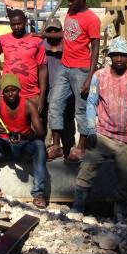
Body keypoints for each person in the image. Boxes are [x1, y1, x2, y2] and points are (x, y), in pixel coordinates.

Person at [70, 37, 127, 220]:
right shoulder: (99, 76)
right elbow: (91, 103)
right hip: (102, 135)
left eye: (123, 55)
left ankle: (121, 214)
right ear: (110, 56)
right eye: (115, 55)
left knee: (126, 180)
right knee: (86, 171)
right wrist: (91, 129)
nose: (119, 58)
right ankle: (77, 207)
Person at [0, 74, 47, 208]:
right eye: (6, 91)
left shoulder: (29, 105)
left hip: (23, 146)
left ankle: (38, 193)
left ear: (19, 90)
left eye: (13, 90)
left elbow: (41, 133)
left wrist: (23, 136)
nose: (10, 94)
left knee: (39, 145)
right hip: (4, 145)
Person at [59, 0, 101, 161]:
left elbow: (95, 48)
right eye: (68, 1)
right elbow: (66, 35)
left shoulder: (92, 19)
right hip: (65, 67)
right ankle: (58, 144)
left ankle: (82, 146)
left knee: (81, 109)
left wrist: (89, 77)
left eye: (73, 1)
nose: (69, 4)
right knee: (56, 103)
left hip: (81, 69)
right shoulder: (70, 12)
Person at [0, 9, 47, 104]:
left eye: (19, 24)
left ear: (25, 22)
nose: (16, 27)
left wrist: (42, 96)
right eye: (13, 24)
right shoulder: (2, 40)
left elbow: (42, 69)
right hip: (8, 93)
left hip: (31, 94)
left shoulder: (37, 41)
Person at [40, 16, 74, 162]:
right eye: (50, 30)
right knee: (48, 118)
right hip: (47, 88)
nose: (53, 33)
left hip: (67, 89)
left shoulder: (68, 45)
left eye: (55, 30)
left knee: (67, 119)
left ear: (61, 31)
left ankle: (68, 147)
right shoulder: (42, 45)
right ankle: (51, 146)